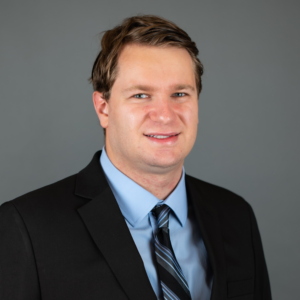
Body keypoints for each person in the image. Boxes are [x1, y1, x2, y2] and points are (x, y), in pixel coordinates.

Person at [0, 15, 272, 300]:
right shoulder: (27, 228)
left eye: (180, 93)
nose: (165, 115)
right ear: (103, 108)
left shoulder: (236, 215)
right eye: (141, 95)